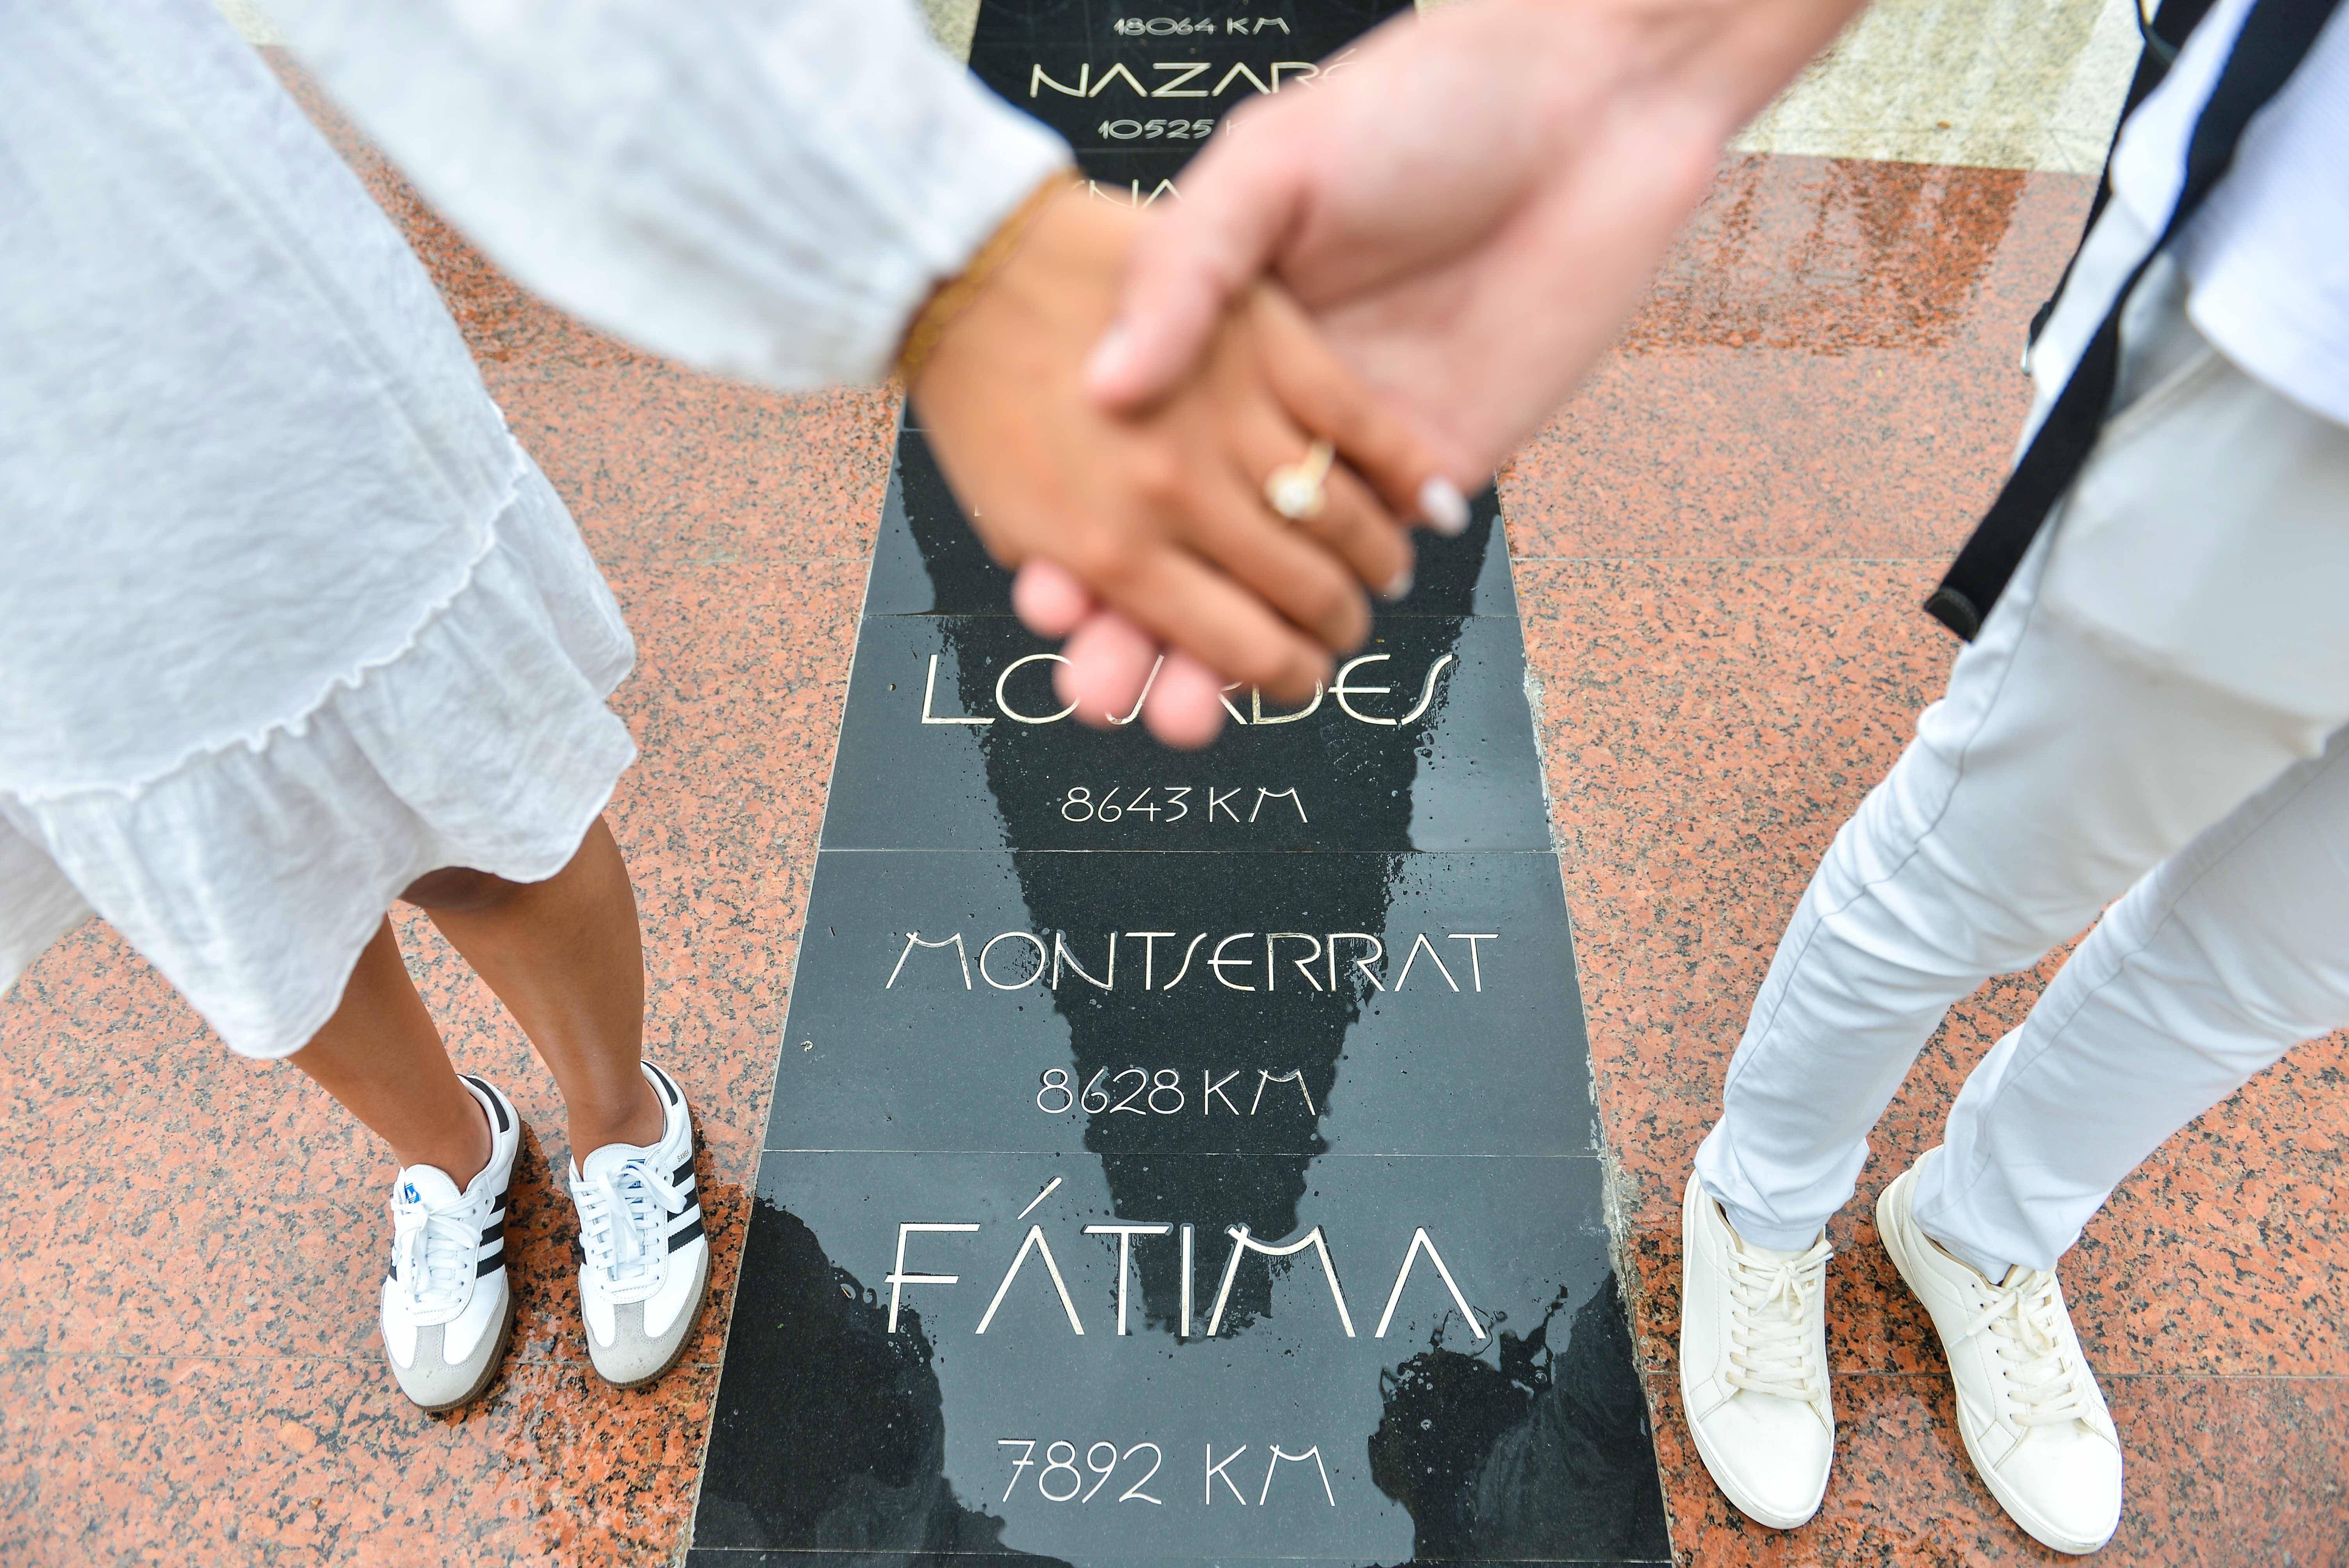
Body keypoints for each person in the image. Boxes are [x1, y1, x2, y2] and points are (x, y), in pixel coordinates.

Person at [1030, 0, 2349, 1554]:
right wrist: (1622, 67)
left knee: (2281, 957)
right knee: (1990, 857)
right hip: (2297, 358)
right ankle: (1764, 1205)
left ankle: (1988, 1230)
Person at [0, 0, 1448, 1412]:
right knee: (247, 897)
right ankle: (449, 1157)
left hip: (175, 312)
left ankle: (620, 1120)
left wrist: (949, 248)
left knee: (476, 815)